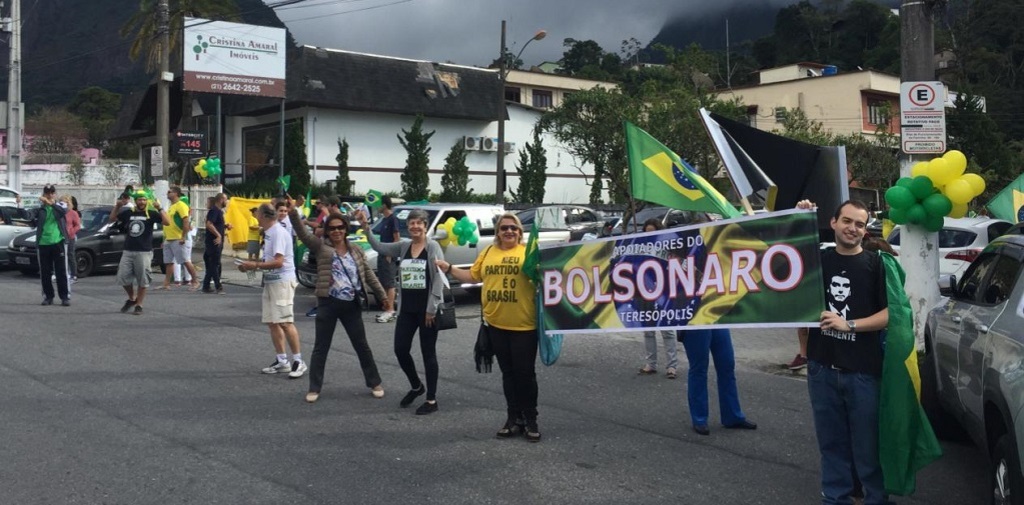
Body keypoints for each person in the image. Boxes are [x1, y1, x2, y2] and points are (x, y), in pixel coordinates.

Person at [796, 198, 889, 505]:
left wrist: (848, 324)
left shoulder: (876, 265)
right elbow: (783, 257)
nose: (853, 229)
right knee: (831, 443)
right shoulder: (818, 261)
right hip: (822, 369)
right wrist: (799, 217)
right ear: (833, 223)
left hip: (862, 372)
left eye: (859, 224)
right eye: (847, 221)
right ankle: (835, 498)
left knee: (868, 445)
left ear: (865, 230)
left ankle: (875, 498)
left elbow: (890, 315)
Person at [436, 213, 542, 441]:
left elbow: (545, 278)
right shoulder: (488, 252)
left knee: (525, 374)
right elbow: (472, 276)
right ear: (498, 232)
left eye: (514, 228)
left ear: (520, 232)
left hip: (524, 325)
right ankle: (513, 418)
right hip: (495, 324)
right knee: (508, 374)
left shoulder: (529, 252)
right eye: (504, 228)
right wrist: (449, 268)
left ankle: (531, 419)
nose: (509, 231)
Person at [288, 201, 388, 403]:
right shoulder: (321, 247)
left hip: (351, 305)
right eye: (332, 228)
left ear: (346, 229)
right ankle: (314, 387)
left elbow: (368, 275)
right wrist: (293, 213)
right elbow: (303, 234)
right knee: (321, 347)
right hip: (328, 303)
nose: (336, 231)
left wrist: (383, 297)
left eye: (340, 227)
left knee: (361, 345)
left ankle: (374, 382)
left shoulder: (356, 250)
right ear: (327, 231)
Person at [364, 209, 445, 415]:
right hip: (407, 309)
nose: (415, 227)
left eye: (419, 223)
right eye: (412, 223)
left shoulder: (433, 246)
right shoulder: (404, 246)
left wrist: (432, 308)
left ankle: (431, 399)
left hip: (427, 311)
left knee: (428, 354)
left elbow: (438, 279)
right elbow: (379, 247)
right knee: (400, 349)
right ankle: (417, 386)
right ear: (407, 226)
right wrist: (366, 227)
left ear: (426, 226)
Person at [238, 203, 306, 379]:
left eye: (258, 214)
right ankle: (282, 360)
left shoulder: (277, 233)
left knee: (285, 321)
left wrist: (254, 265)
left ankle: (299, 360)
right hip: (271, 281)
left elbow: (278, 262)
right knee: (272, 321)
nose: (256, 217)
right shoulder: (268, 233)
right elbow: (269, 259)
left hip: (282, 281)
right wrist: (250, 267)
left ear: (265, 216)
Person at [109, 191, 170, 315]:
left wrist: (160, 208)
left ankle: (139, 304)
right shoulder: (129, 213)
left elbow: (167, 222)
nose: (141, 202)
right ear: (135, 201)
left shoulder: (151, 214)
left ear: (146, 201)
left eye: (143, 199)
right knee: (123, 278)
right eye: (139, 200)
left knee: (143, 279)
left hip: (144, 251)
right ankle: (132, 298)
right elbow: (112, 219)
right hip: (128, 250)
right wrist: (117, 206)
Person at [637, 218, 679, 379]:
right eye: (647, 232)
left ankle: (672, 366)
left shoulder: (667, 250)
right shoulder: (639, 250)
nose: (649, 235)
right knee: (648, 331)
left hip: (663, 294)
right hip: (645, 293)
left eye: (652, 232)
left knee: (667, 331)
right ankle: (651, 364)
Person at [34, 185, 71, 306]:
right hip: (43, 243)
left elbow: (62, 212)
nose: (49, 195)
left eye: (52, 193)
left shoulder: (60, 205)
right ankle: (48, 296)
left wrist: (50, 203)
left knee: (61, 271)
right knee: (45, 272)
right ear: (44, 194)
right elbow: (30, 217)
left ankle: (65, 296)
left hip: (58, 242)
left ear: (55, 194)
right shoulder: (40, 208)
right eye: (47, 193)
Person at [159, 187, 199, 291]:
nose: (167, 193)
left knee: (185, 260)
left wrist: (183, 236)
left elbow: (185, 221)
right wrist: (164, 239)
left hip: (178, 238)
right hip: (169, 238)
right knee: (168, 262)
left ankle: (195, 281)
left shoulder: (181, 205)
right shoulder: (171, 206)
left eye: (169, 192)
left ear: (176, 193)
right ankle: (166, 283)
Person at [375, 195, 400, 323]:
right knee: (383, 282)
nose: (377, 207)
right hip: (381, 253)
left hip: (389, 255)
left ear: (384, 205)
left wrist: (391, 254)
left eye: (379, 204)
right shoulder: (383, 219)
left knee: (390, 283)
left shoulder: (392, 219)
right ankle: (386, 308)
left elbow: (397, 237)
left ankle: (391, 310)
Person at [202, 193, 230, 294]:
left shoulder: (218, 212)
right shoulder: (214, 211)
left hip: (215, 242)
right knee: (214, 264)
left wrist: (225, 226)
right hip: (214, 242)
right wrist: (218, 235)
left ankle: (206, 285)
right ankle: (218, 286)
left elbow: (216, 224)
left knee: (212, 264)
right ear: (221, 199)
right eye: (226, 200)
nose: (227, 202)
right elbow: (209, 224)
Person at [62, 195, 81, 284]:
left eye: (65, 202)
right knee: (61, 256)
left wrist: (71, 231)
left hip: (70, 237)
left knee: (70, 255)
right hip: (60, 237)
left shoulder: (73, 213)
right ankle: (62, 274)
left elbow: (77, 225)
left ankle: (74, 275)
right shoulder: (60, 212)